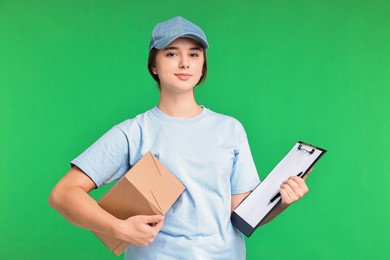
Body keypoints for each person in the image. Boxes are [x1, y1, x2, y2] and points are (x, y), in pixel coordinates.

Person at [49, 16, 310, 259]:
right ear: (154, 65)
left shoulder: (230, 129)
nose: (184, 62)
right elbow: (63, 194)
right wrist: (119, 229)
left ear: (202, 65)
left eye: (194, 54)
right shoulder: (133, 132)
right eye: (172, 53)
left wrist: (282, 202)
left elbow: (241, 213)